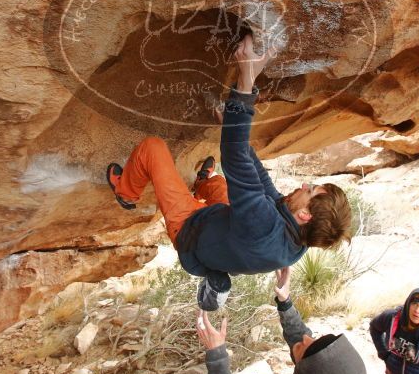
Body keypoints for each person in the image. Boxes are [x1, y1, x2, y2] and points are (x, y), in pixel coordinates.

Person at [107, 28, 352, 310]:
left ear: (305, 214)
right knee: (222, 184)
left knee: (152, 149)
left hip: (190, 231)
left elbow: (235, 157)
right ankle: (200, 185)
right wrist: (232, 127)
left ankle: (126, 192)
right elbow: (260, 181)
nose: (306, 185)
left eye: (311, 190)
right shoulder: (301, 239)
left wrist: (246, 80)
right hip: (225, 230)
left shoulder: (265, 225)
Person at [159, 267, 367, 374]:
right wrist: (284, 301)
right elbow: (305, 345)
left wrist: (217, 354)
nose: (305, 338)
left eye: (305, 350)